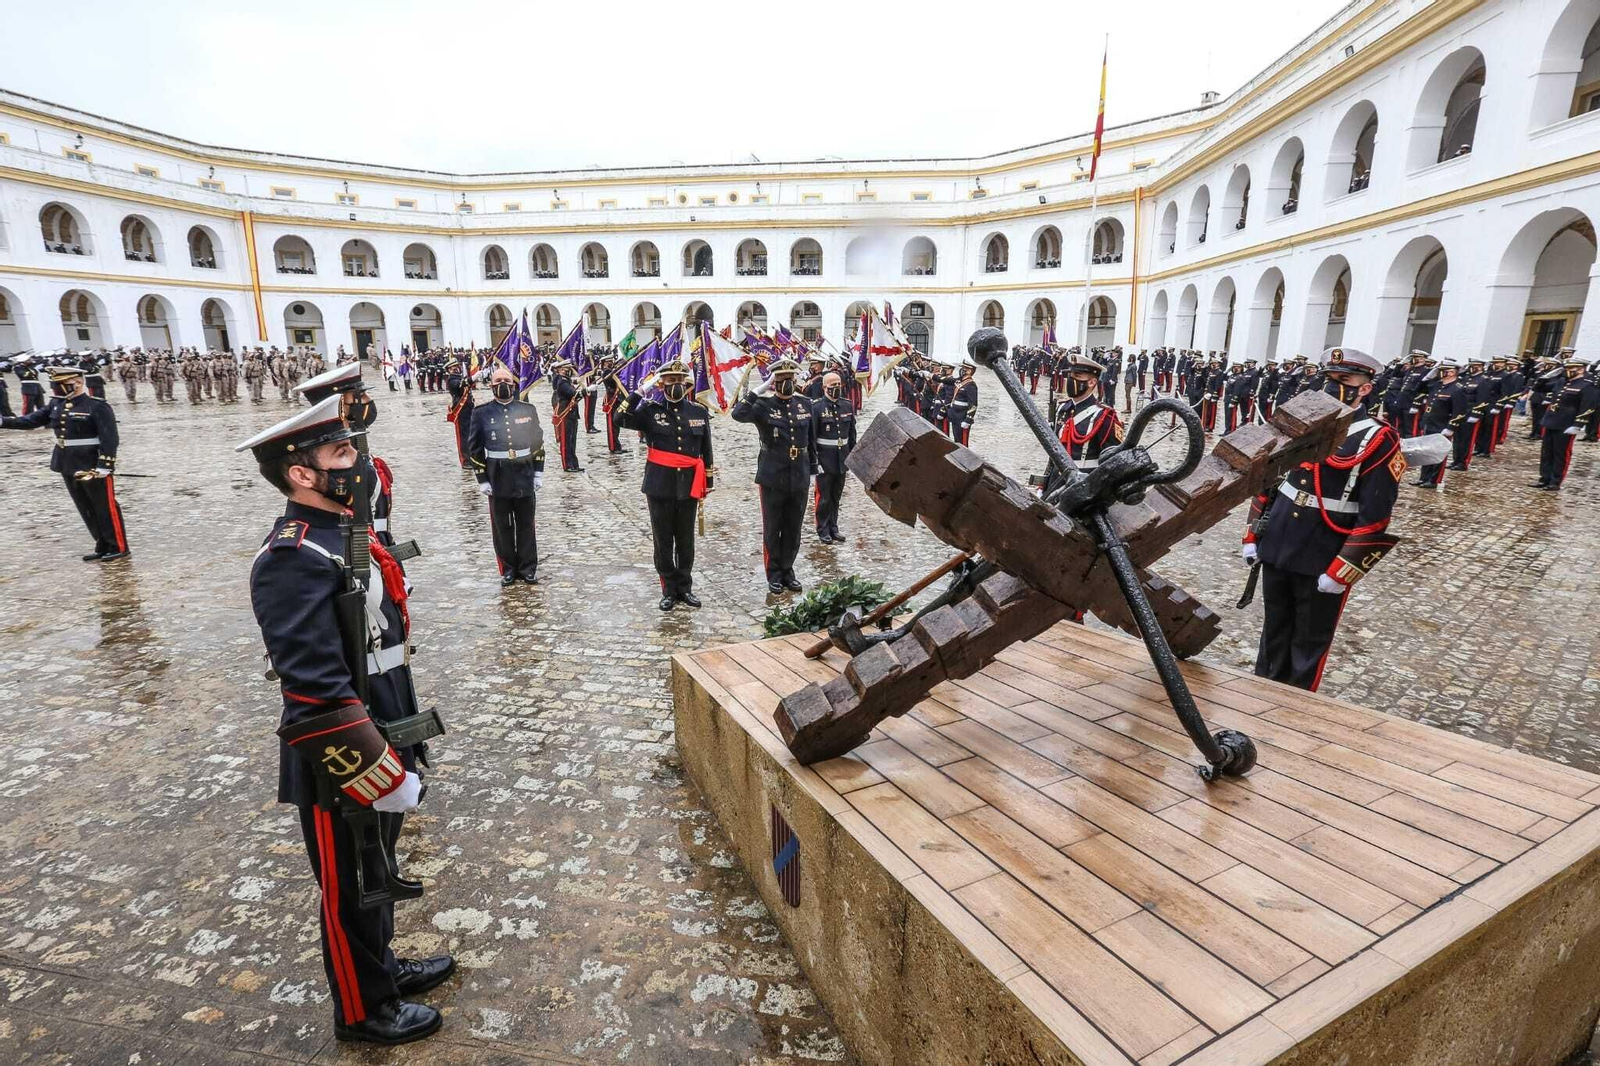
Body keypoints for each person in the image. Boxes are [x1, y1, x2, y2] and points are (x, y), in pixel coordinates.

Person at [235, 396, 452, 1046]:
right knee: (350, 882)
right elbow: (314, 688)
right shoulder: (290, 557)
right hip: (341, 750)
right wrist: (375, 765)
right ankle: (362, 1010)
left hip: (384, 722)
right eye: (340, 454)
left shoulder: (343, 533)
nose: (356, 462)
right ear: (301, 474)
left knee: (376, 866)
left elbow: (380, 642)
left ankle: (382, 969)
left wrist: (402, 735)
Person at [1242, 348, 1403, 690]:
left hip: (1322, 550)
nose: (1333, 387)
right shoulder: (1304, 424)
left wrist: (1344, 569)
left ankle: (1298, 711)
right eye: (1329, 379)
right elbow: (1270, 481)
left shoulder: (1377, 438)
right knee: (1273, 631)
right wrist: (1253, 533)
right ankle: (1261, 694)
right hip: (1279, 539)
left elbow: (1376, 517)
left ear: (1365, 388)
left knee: (1308, 642)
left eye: (1344, 380)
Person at [1, 364, 130, 561]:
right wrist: (4, 421)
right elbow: (30, 421)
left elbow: (109, 438)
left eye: (62, 384)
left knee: (104, 506)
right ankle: (102, 544)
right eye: (56, 385)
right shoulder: (56, 404)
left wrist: (105, 465)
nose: (57, 389)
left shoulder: (97, 406)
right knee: (85, 507)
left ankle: (118, 546)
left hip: (91, 463)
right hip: (67, 462)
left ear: (77, 383)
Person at [616, 358, 714, 609]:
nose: (676, 385)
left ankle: (685, 587)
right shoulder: (649, 411)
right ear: (661, 384)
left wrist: (708, 480)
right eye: (671, 381)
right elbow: (619, 418)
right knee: (663, 540)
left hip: (689, 484)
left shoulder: (698, 412)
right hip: (659, 484)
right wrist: (640, 392)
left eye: (680, 381)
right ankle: (668, 589)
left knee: (685, 539)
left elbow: (706, 449)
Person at [731, 356, 816, 594]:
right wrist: (759, 390)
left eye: (789, 378)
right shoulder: (763, 406)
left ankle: (788, 570)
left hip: (799, 471)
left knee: (794, 526)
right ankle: (774, 573)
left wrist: (814, 467)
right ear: (774, 381)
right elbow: (738, 414)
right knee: (773, 527)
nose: (786, 382)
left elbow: (810, 440)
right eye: (780, 379)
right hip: (772, 473)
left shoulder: (805, 404)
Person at [469, 366, 546, 585]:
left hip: (524, 473)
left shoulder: (527, 409)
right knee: (501, 526)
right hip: (497, 475)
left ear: (513, 384)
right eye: (498, 380)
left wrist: (538, 472)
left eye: (506, 380)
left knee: (526, 523)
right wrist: (482, 479)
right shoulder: (481, 412)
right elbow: (474, 448)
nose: (502, 384)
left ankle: (528, 567)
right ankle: (508, 569)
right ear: (491, 385)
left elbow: (537, 442)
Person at [1533, 351, 1597, 491]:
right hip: (1551, 420)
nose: (1568, 371)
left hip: (1566, 423)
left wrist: (1578, 424)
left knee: (1560, 454)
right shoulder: (1562, 381)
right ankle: (1544, 478)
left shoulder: (1587, 385)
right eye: (1567, 368)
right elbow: (1539, 388)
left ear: (1581, 369)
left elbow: (1588, 406)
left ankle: (1555, 481)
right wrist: (1547, 376)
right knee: (1546, 452)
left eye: (1571, 368)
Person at [811, 370, 856, 543]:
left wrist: (852, 457)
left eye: (838, 384)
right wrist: (814, 462)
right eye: (832, 385)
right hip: (824, 459)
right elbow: (812, 437)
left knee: (836, 496)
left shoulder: (846, 405)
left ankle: (833, 527)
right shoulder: (816, 407)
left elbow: (851, 434)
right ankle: (823, 529)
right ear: (824, 387)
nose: (836, 388)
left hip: (841, 458)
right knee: (823, 497)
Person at [1415, 357, 1467, 489]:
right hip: (1429, 423)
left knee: (1437, 454)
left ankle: (1433, 480)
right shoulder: (1437, 385)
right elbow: (1419, 389)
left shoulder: (1458, 389)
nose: (1439, 372)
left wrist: (1451, 427)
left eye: (1442, 370)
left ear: (1451, 372)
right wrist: (1428, 376)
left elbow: (1460, 411)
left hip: (1442, 426)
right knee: (1425, 453)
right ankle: (1423, 478)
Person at [549, 359, 582, 472]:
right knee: (566, 440)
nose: (570, 371)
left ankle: (573, 463)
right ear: (562, 370)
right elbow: (572, 394)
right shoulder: (562, 382)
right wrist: (585, 390)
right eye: (568, 369)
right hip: (565, 413)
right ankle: (567, 465)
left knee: (572, 440)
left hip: (571, 413)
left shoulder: (565, 380)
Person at [445, 356, 475, 469]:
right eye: (452, 368)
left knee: (470, 434)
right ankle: (465, 460)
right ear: (448, 370)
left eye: (456, 367)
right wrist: (472, 378)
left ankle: (471, 457)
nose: (456, 369)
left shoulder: (459, 377)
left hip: (468, 408)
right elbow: (461, 384)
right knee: (463, 436)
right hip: (460, 409)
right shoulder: (451, 380)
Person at [947, 359, 979, 445]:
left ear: (969, 371)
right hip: (955, 415)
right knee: (956, 440)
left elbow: (973, 404)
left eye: (964, 368)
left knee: (962, 443)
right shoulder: (960, 381)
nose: (961, 370)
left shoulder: (971, 385)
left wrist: (968, 419)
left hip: (962, 417)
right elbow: (947, 381)